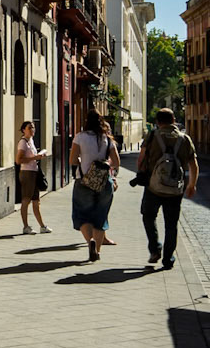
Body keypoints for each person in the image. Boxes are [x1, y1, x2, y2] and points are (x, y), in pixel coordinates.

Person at [134, 106, 198, 269]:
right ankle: (168, 259)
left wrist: (141, 173)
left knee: (148, 216)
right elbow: (193, 164)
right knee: (171, 224)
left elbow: (141, 159)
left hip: (153, 187)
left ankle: (155, 248)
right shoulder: (184, 139)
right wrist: (192, 185)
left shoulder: (152, 136)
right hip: (175, 189)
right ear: (174, 120)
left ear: (157, 122)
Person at [69, 109, 120, 261]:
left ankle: (90, 241)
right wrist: (105, 164)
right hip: (104, 182)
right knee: (100, 216)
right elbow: (116, 162)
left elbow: (72, 160)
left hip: (83, 181)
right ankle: (97, 250)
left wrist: (82, 162)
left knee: (82, 215)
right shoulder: (107, 139)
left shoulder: (80, 137)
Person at [15, 119, 49, 233]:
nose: (32, 130)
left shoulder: (31, 141)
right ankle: (26, 227)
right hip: (27, 173)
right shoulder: (23, 143)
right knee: (26, 200)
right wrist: (35, 158)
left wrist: (39, 156)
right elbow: (18, 160)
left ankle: (42, 226)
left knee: (36, 200)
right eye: (29, 128)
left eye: (33, 127)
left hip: (34, 172)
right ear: (23, 130)